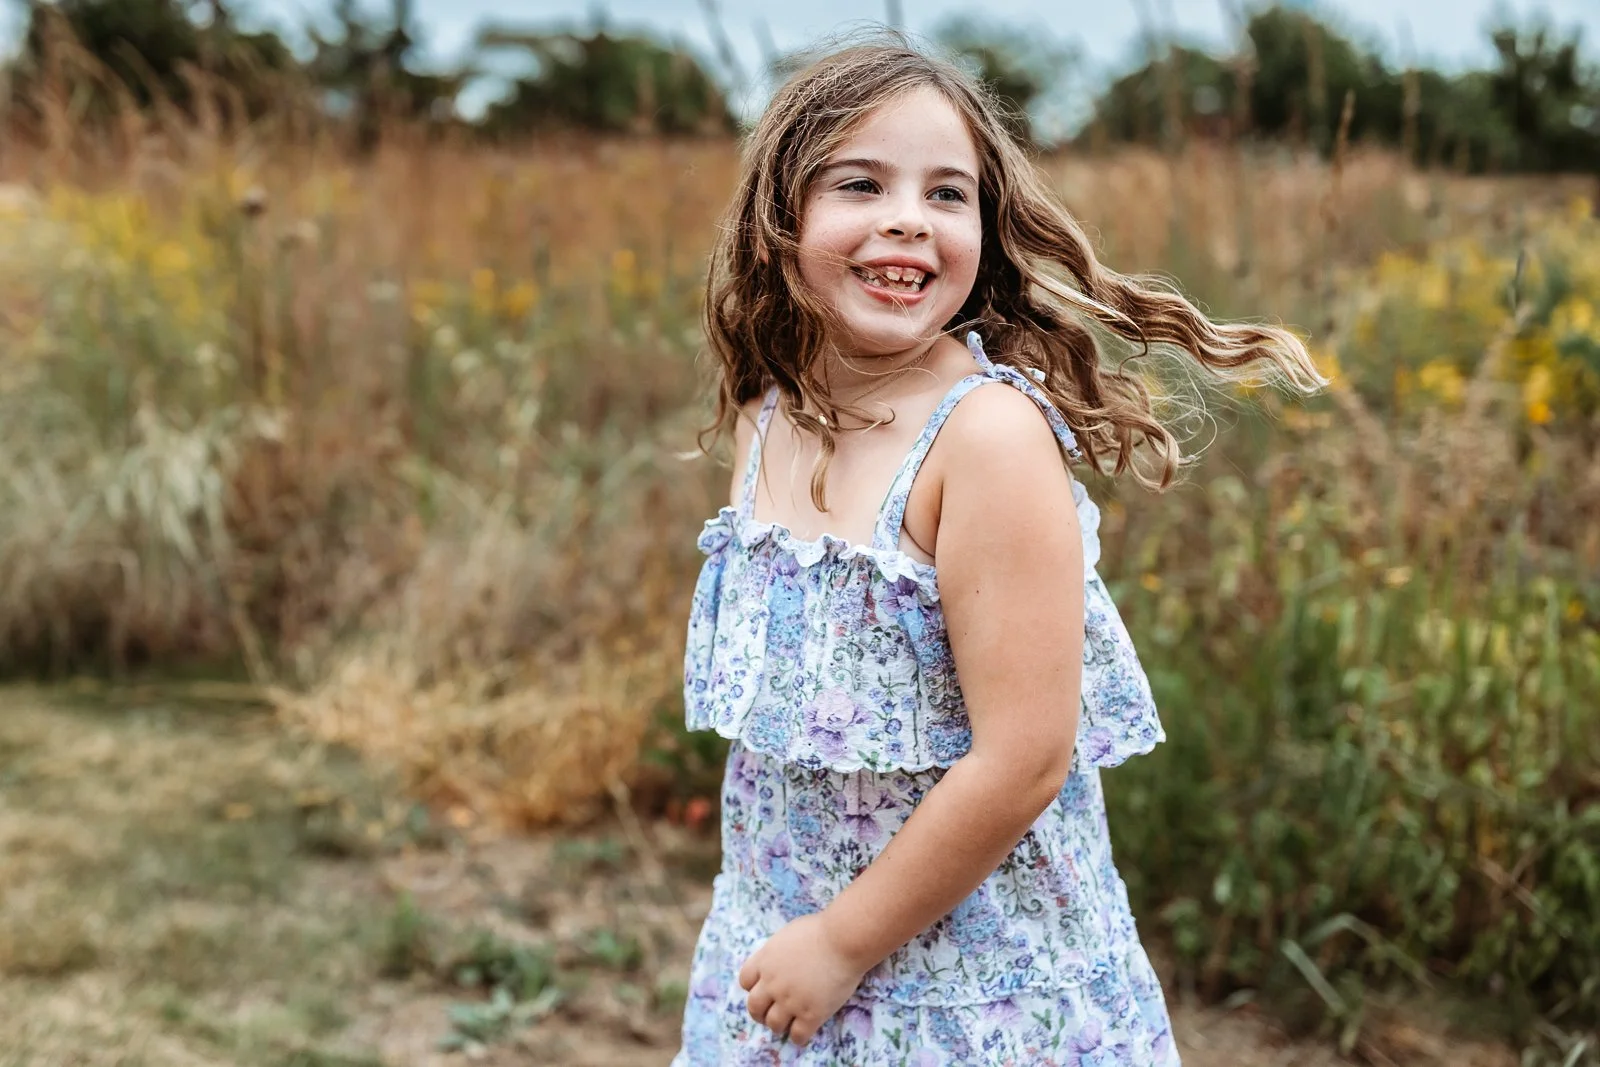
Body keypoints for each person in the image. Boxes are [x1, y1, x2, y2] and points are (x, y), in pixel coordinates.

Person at [672, 36, 1324, 1067]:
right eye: (861, 183)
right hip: (786, 942)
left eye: (947, 193)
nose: (908, 217)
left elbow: (1023, 758)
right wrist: (807, 939)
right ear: (776, 218)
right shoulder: (770, 417)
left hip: (968, 991)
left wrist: (842, 943)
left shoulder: (984, 438)